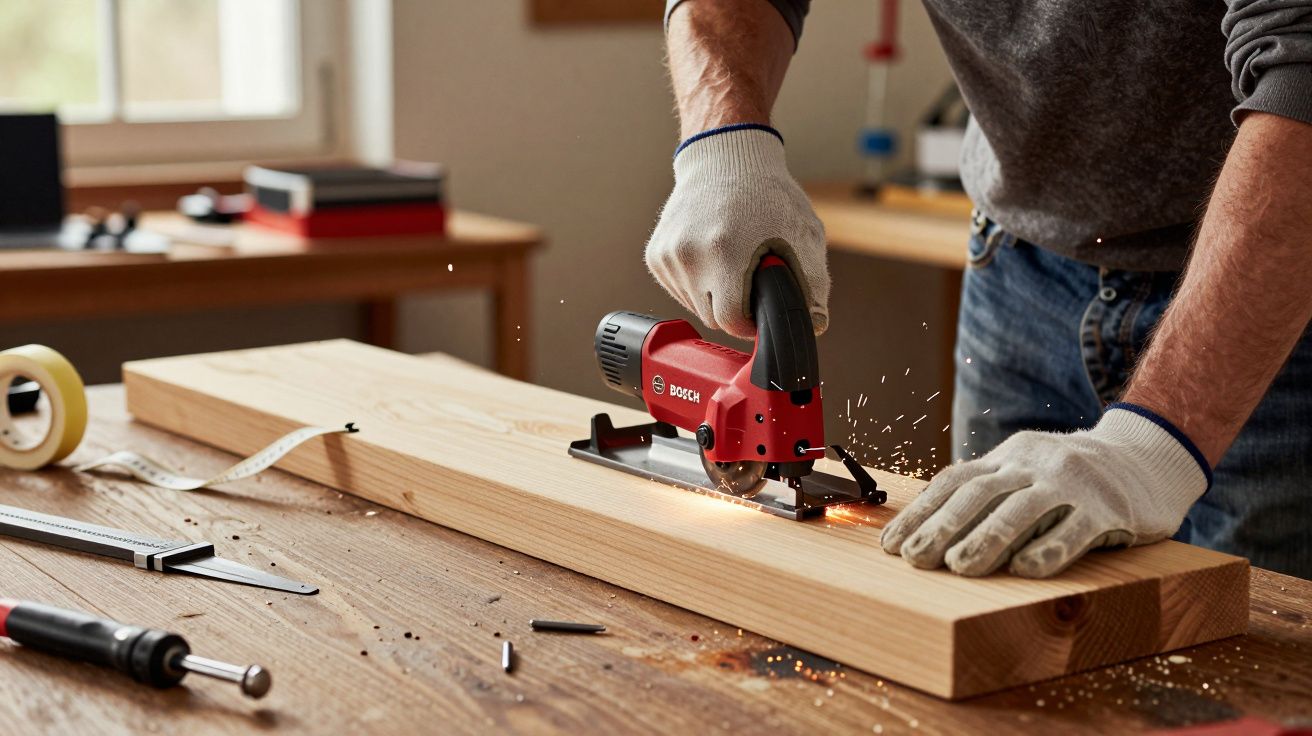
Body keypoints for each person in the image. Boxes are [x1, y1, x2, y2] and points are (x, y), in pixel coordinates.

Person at [647, 0, 1312, 579]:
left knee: (1254, 671)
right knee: (990, 612)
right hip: (1019, 264)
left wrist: (1153, 449)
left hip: (1274, 295)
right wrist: (722, 148)